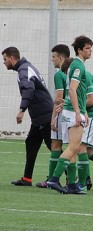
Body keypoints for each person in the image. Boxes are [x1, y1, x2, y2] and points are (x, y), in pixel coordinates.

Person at [47, 35, 93, 194]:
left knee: (72, 148)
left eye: (90, 47)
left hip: (70, 111)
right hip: (72, 112)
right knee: (74, 147)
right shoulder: (79, 66)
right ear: (79, 50)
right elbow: (72, 90)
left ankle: (72, 185)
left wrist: (84, 111)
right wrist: (79, 113)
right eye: (87, 48)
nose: (90, 51)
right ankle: (53, 179)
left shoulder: (75, 65)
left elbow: (78, 92)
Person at [2, 47, 53, 186]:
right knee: (31, 143)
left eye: (5, 59)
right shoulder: (25, 67)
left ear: (12, 58)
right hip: (39, 116)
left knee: (53, 147)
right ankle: (27, 178)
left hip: (44, 115)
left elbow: (29, 89)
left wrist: (21, 110)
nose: (4, 63)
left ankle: (69, 178)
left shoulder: (23, 70)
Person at [36, 44, 70, 188]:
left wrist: (53, 118)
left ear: (61, 57)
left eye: (54, 57)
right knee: (73, 147)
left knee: (56, 145)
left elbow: (58, 98)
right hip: (73, 113)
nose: (52, 60)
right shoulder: (73, 72)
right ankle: (76, 180)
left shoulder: (59, 74)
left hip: (62, 113)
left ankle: (51, 179)